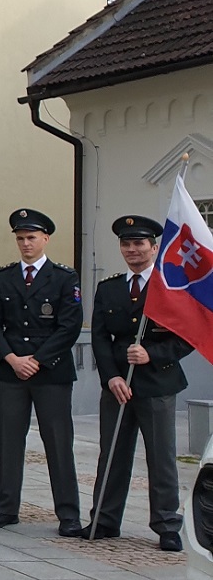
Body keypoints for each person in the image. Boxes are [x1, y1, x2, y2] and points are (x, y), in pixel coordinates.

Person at [86, 214, 189, 550]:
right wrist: (111, 376)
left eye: (139, 243)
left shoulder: (169, 285)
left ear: (154, 247)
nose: (132, 250)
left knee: (161, 457)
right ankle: (104, 518)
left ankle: (166, 524)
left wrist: (153, 354)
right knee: (112, 453)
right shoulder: (109, 288)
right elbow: (100, 338)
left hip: (157, 383)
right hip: (118, 385)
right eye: (126, 244)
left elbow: (187, 336)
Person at [0, 208, 82, 535]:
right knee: (9, 442)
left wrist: (36, 360)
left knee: (58, 443)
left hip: (50, 372)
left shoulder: (64, 278)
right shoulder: (5, 277)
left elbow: (69, 327)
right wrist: (12, 358)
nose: (26, 243)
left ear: (45, 239)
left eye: (32, 237)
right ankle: (6, 507)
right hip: (11, 372)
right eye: (21, 238)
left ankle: (68, 514)